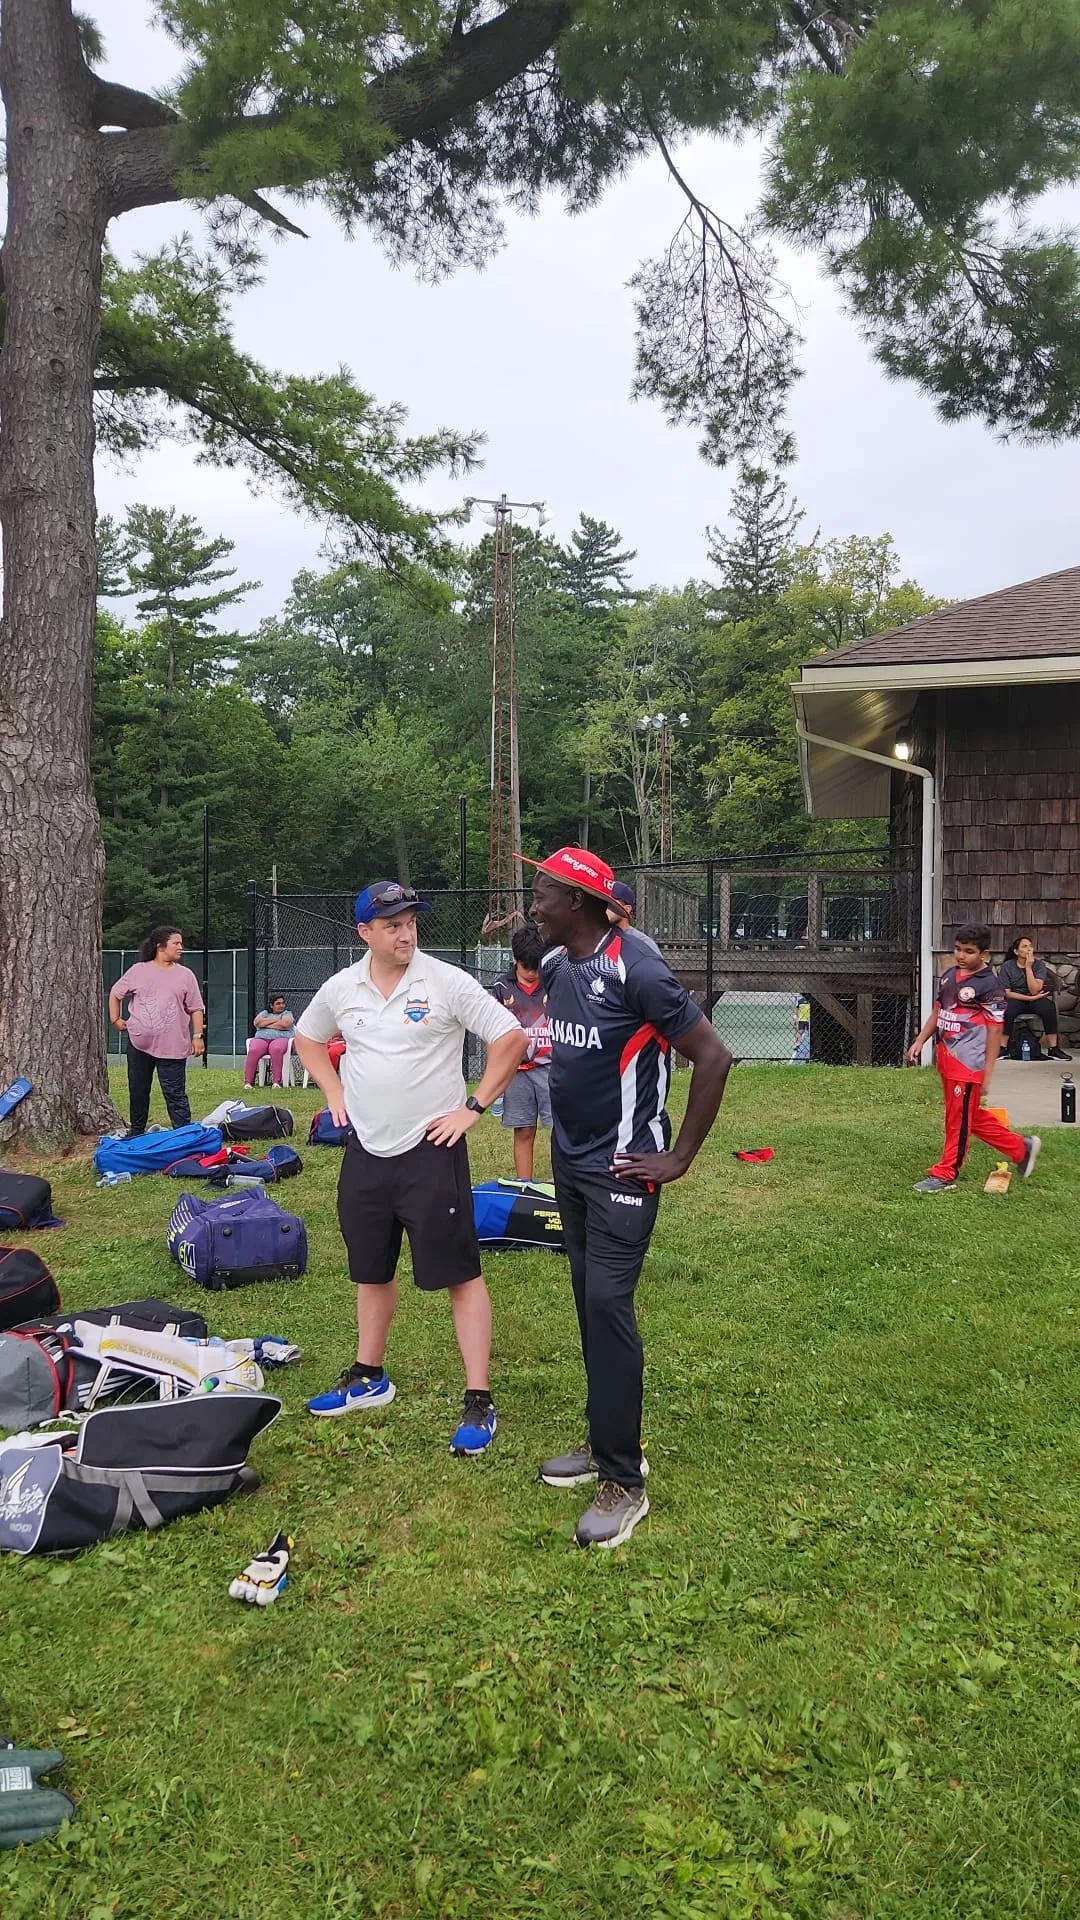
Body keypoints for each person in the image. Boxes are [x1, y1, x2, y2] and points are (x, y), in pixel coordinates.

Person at [526, 846, 732, 1549]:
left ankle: (624, 1483)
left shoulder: (637, 966)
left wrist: (677, 1157)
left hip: (622, 1171)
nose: (534, 904)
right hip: (569, 1163)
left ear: (577, 903)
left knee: (609, 1306)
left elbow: (713, 1055)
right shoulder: (558, 965)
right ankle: (608, 1439)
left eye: (544, 894)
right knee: (588, 1299)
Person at [293, 881, 526, 1456]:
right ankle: (369, 1376)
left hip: (431, 1151)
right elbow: (306, 1037)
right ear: (365, 932)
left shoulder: (444, 980)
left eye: (411, 921)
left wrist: (473, 1108)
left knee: (459, 1274)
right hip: (365, 1153)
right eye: (392, 924)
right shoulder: (342, 987)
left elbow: (511, 1036)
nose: (406, 932)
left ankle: (478, 1399)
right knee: (371, 1270)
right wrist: (332, 1090)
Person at [906, 923, 1041, 1192]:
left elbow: (994, 1030)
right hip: (948, 1058)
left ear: (984, 954)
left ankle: (945, 1173)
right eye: (958, 949)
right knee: (967, 1115)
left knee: (958, 1120)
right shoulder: (948, 976)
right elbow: (938, 1012)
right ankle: (1021, 1148)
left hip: (969, 1064)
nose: (961, 955)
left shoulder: (990, 985)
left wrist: (987, 1070)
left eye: (968, 951)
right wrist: (921, 1040)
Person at [109, 927, 205, 1135]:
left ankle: (183, 1134)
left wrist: (197, 1036)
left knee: (175, 1092)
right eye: (176, 943)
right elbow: (116, 993)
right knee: (138, 1090)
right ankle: (136, 1132)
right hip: (139, 1045)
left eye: (181, 943)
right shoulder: (138, 970)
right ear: (160, 946)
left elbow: (196, 1008)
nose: (181, 947)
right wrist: (115, 1019)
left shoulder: (185, 975)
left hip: (173, 1046)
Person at [492, 924, 552, 1181]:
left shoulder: (555, 983)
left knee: (560, 1130)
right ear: (516, 961)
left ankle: (563, 1183)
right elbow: (492, 1035)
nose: (533, 974)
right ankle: (524, 1185)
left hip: (552, 1069)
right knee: (524, 1130)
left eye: (538, 967)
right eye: (528, 968)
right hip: (517, 1073)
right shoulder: (501, 988)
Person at [1000, 934, 1071, 1061]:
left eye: (1030, 947)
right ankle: (1002, 1049)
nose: (1029, 949)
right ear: (1016, 951)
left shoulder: (1038, 965)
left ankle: (1053, 1049)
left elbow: (1034, 990)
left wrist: (1028, 967)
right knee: (1007, 1010)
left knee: (1048, 1008)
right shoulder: (1007, 967)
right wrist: (1030, 999)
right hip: (1016, 998)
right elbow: (1007, 993)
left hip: (1036, 997)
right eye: (1025, 946)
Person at [244, 993, 295, 1087]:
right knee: (253, 1050)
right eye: (278, 1003)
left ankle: (276, 1082)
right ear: (272, 1005)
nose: (281, 1006)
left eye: (283, 1003)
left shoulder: (287, 1013)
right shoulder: (264, 1013)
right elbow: (257, 1022)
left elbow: (285, 1024)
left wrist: (265, 1024)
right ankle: (248, 1082)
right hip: (261, 1038)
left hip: (280, 1038)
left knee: (276, 1049)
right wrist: (276, 1021)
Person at [606, 880, 662, 953]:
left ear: (627, 909)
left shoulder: (643, 943)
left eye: (610, 902)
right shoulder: (595, 939)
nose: (604, 906)